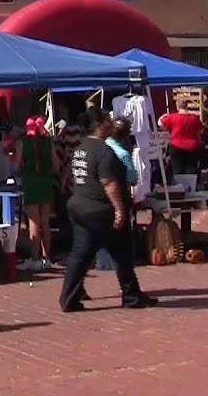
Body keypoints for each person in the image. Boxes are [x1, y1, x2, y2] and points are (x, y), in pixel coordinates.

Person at [59, 107, 158, 312]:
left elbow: (72, 175)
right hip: (101, 210)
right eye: (107, 120)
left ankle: (69, 298)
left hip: (79, 207)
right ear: (99, 125)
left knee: (80, 254)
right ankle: (131, 296)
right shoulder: (103, 151)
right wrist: (120, 210)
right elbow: (109, 183)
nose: (110, 123)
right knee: (122, 253)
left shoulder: (80, 147)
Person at [17, 116, 57, 270]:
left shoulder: (23, 143)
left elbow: (18, 164)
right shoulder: (49, 143)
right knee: (45, 223)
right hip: (45, 183)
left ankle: (34, 259)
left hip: (31, 183)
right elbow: (56, 164)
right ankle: (47, 258)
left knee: (34, 223)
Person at [159, 97, 204, 178]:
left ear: (177, 106)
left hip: (176, 146)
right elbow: (201, 130)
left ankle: (179, 188)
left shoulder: (172, 117)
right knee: (191, 171)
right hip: (192, 147)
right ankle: (191, 188)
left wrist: (162, 116)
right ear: (187, 106)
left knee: (177, 171)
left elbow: (160, 124)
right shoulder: (194, 118)